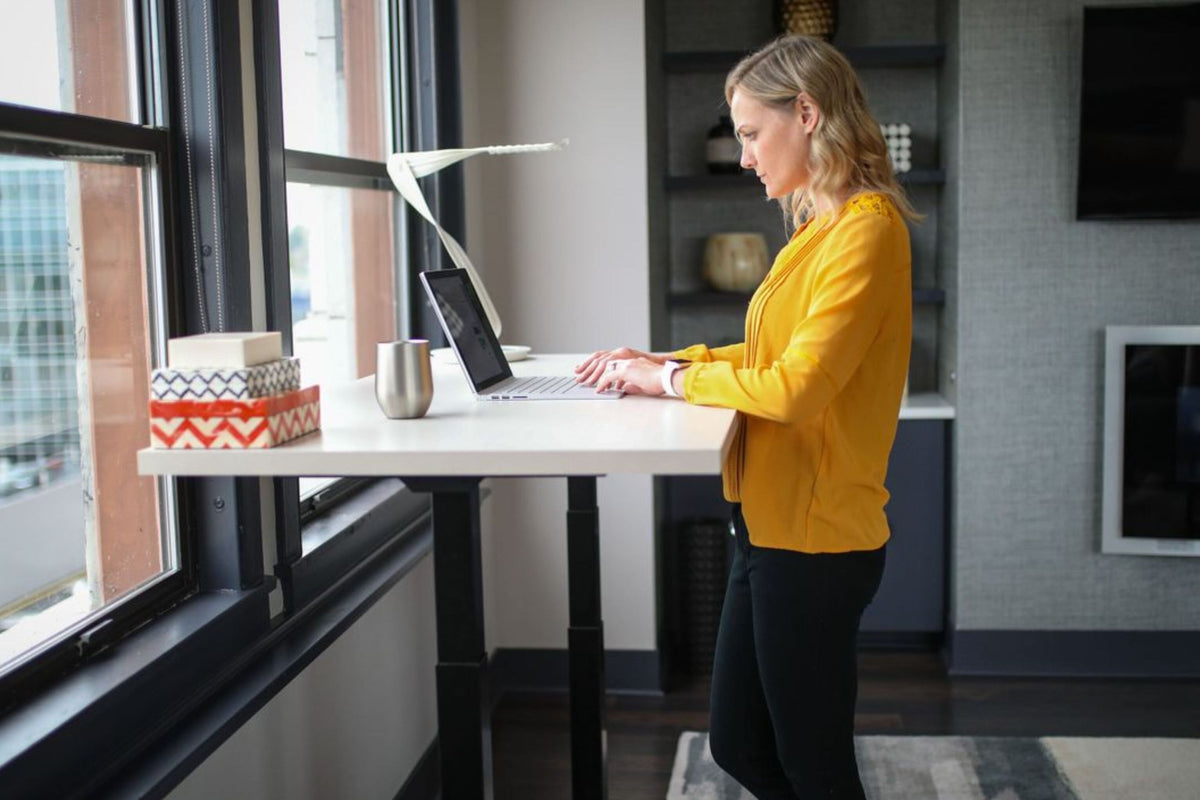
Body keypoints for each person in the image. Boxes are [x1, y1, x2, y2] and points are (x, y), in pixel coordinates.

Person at [574, 34, 918, 799]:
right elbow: (768, 352)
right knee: (738, 744)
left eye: (753, 134)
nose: (744, 156)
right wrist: (662, 363)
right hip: (764, 526)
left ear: (807, 112)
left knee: (814, 766)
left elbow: (796, 388)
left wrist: (668, 379)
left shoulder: (867, 230)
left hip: (816, 541)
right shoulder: (816, 229)